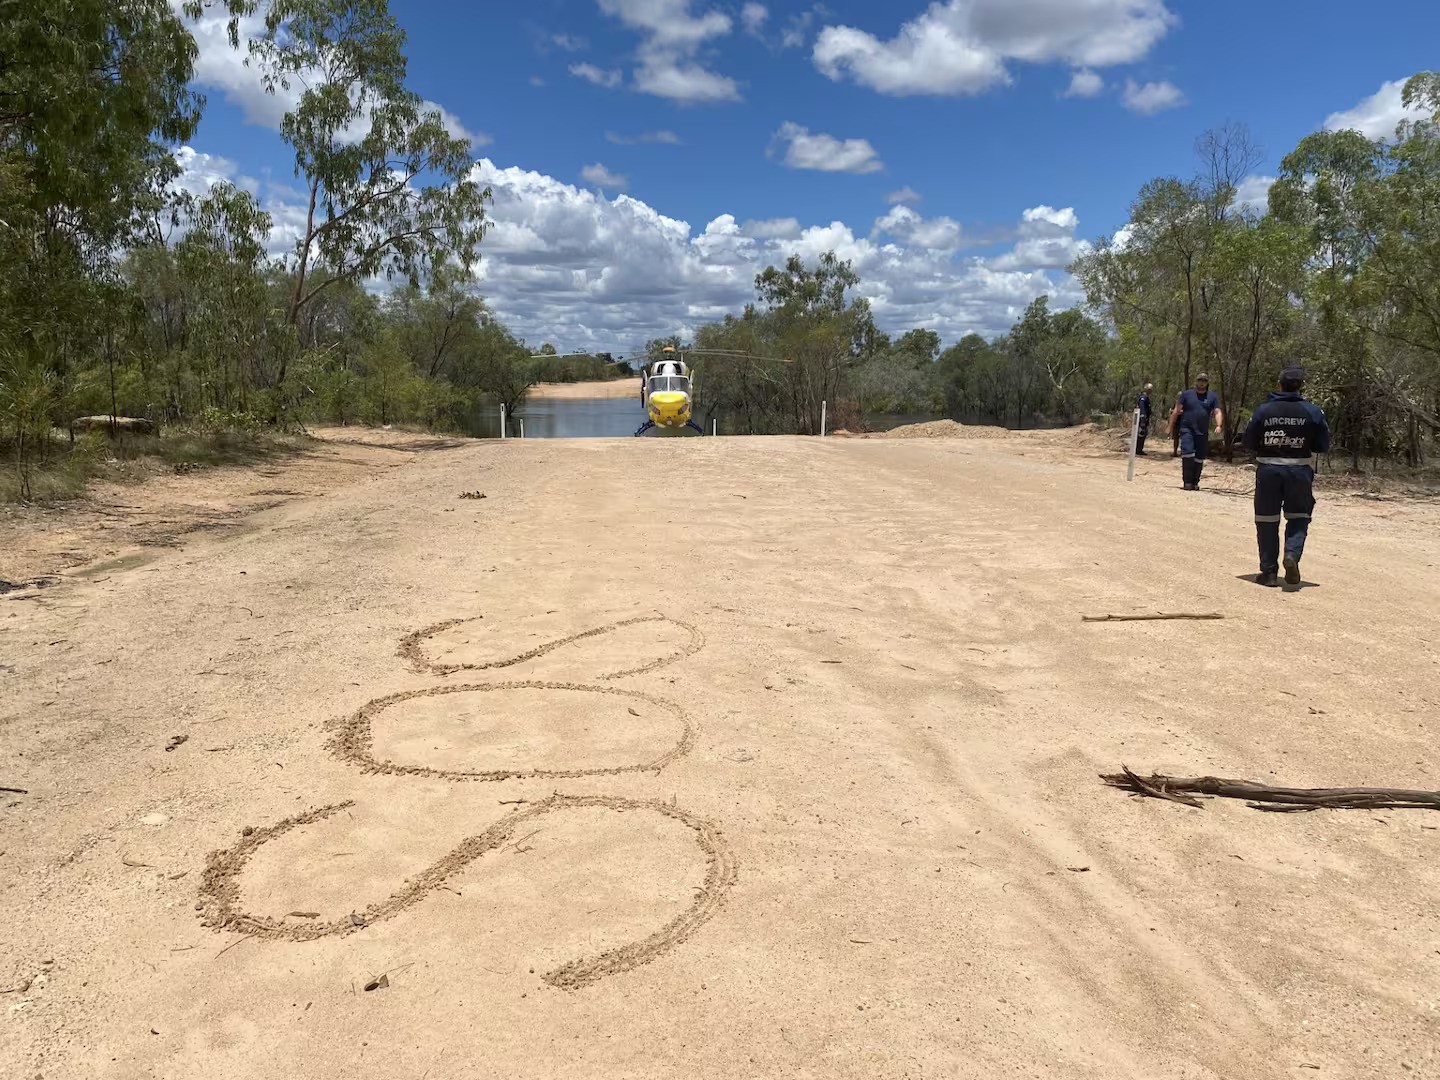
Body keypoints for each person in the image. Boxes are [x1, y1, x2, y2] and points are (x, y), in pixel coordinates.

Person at [1242, 366, 1331, 588]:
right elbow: (1322, 445)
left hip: (1268, 471)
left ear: (1279, 384)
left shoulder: (1263, 411)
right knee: (1299, 517)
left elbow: (1248, 443)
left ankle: (1269, 572)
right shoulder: (1313, 411)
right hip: (1299, 472)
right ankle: (1291, 554)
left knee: (1267, 521)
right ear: (1300, 387)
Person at [1167, 373, 1223, 490]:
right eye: (1199, 380)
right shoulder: (1186, 395)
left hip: (1202, 432)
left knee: (1199, 457)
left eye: (1204, 381)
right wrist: (1170, 426)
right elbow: (1176, 411)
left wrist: (1218, 425)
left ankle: (1195, 482)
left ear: (1207, 383)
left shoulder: (1212, 397)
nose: (1201, 382)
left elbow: (1217, 411)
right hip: (1187, 429)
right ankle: (1187, 482)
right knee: (1188, 453)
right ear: (1195, 381)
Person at [1135, 383, 1154, 455]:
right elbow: (1142, 408)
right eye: (1149, 389)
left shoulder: (1147, 398)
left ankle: (1140, 449)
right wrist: (1142, 418)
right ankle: (1138, 450)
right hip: (1142, 419)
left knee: (1143, 434)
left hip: (1146, 419)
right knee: (1141, 433)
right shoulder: (1143, 398)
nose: (1150, 391)